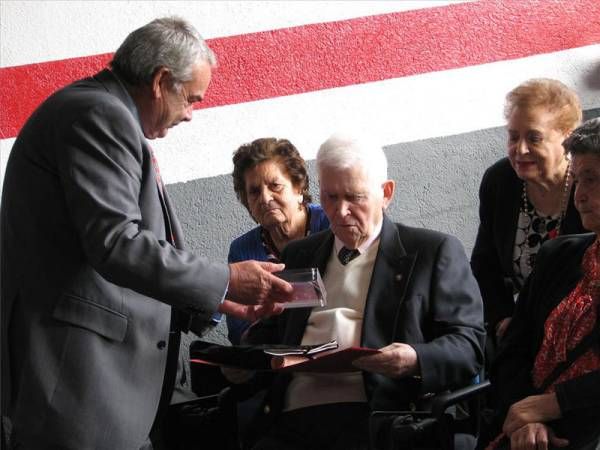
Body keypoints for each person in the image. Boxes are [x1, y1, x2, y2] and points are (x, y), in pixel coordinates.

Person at [0, 17, 292, 450]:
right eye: (191, 98)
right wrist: (226, 278)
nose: (191, 114)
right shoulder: (99, 114)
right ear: (160, 81)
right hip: (79, 387)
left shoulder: (96, 111)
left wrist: (212, 298)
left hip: (94, 390)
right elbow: (117, 243)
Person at [235, 134, 485, 450]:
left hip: (378, 413)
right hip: (294, 413)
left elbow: (469, 346)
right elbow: (272, 336)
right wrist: (241, 359)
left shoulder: (431, 252)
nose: (340, 212)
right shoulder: (300, 254)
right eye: (331, 197)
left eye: (355, 197)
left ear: (386, 193)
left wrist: (414, 358)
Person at [482, 118, 600, 450]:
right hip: (519, 432)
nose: (580, 195)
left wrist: (552, 404)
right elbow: (513, 349)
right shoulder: (559, 254)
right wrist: (526, 416)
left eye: (591, 179)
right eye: (576, 180)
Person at [471, 78, 586, 345]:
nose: (520, 149)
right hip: (521, 331)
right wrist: (504, 319)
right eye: (513, 136)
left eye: (534, 138)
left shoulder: (590, 187)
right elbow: (484, 266)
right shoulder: (501, 180)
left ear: (568, 139)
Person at [227, 137, 330, 345]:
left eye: (275, 186)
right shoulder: (242, 251)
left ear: (298, 188)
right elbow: (241, 334)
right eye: (254, 192)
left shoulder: (331, 225)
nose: (265, 198)